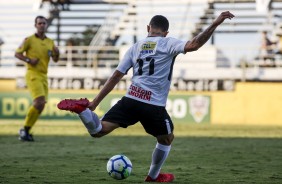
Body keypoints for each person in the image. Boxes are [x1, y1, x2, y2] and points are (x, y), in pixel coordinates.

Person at [58, 11, 234, 182]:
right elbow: (194, 44)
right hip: (153, 105)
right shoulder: (167, 43)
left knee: (98, 130)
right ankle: (153, 176)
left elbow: (116, 76)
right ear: (166, 33)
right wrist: (215, 23)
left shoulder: (135, 47)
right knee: (167, 138)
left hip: (131, 100)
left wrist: (95, 102)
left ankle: (82, 111)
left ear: (148, 28)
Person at [15, 15, 60, 141]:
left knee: (41, 105)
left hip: (44, 75)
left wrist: (57, 53)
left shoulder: (50, 42)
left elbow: (55, 60)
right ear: (35, 25)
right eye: (39, 23)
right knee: (39, 101)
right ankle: (24, 130)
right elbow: (17, 53)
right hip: (32, 73)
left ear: (46, 25)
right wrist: (28, 59)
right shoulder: (29, 39)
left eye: (43, 23)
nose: (41, 25)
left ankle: (26, 130)